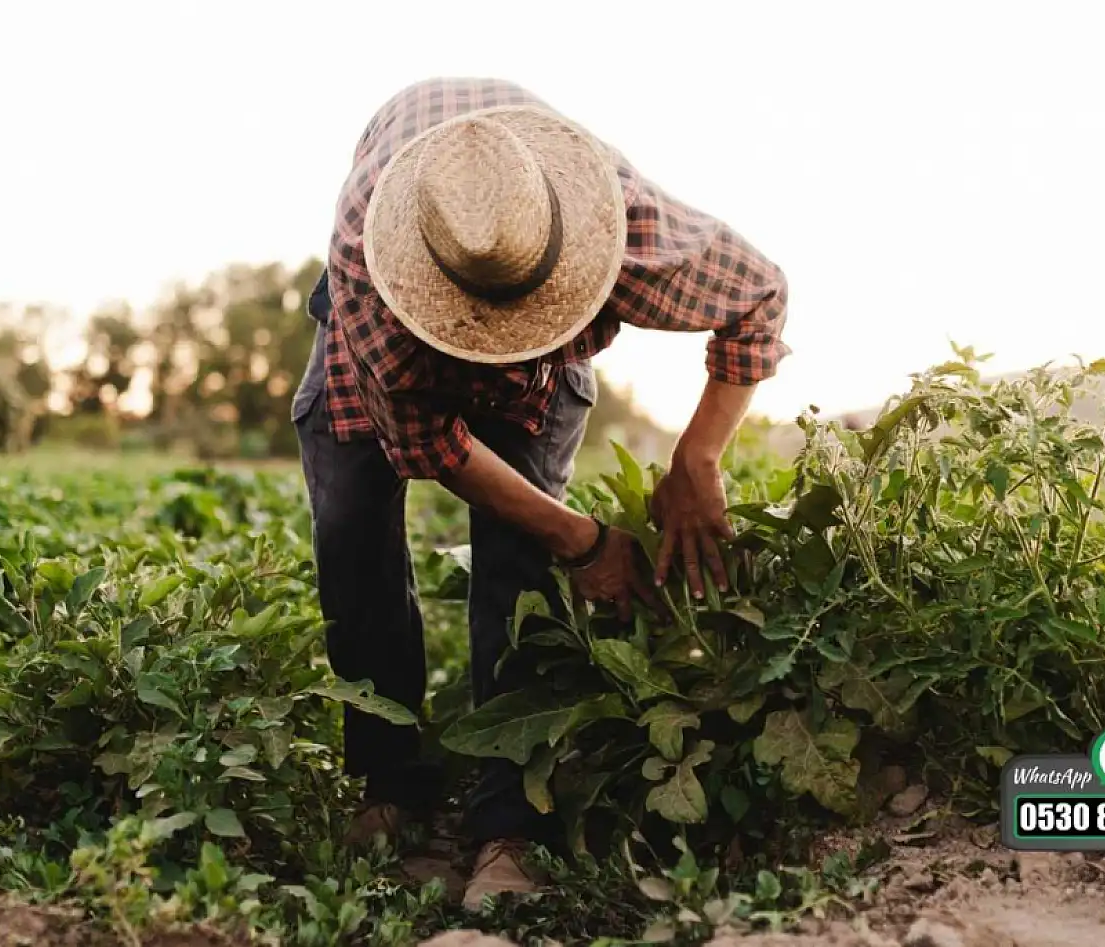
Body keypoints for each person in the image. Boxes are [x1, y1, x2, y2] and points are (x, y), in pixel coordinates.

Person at [289, 78, 789, 911]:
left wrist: (698, 457)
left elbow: (760, 296)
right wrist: (586, 540)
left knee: (519, 568)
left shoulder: (620, 224)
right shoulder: (370, 275)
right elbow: (432, 446)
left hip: (547, 310)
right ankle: (391, 778)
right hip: (381, 341)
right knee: (350, 533)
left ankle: (507, 824)